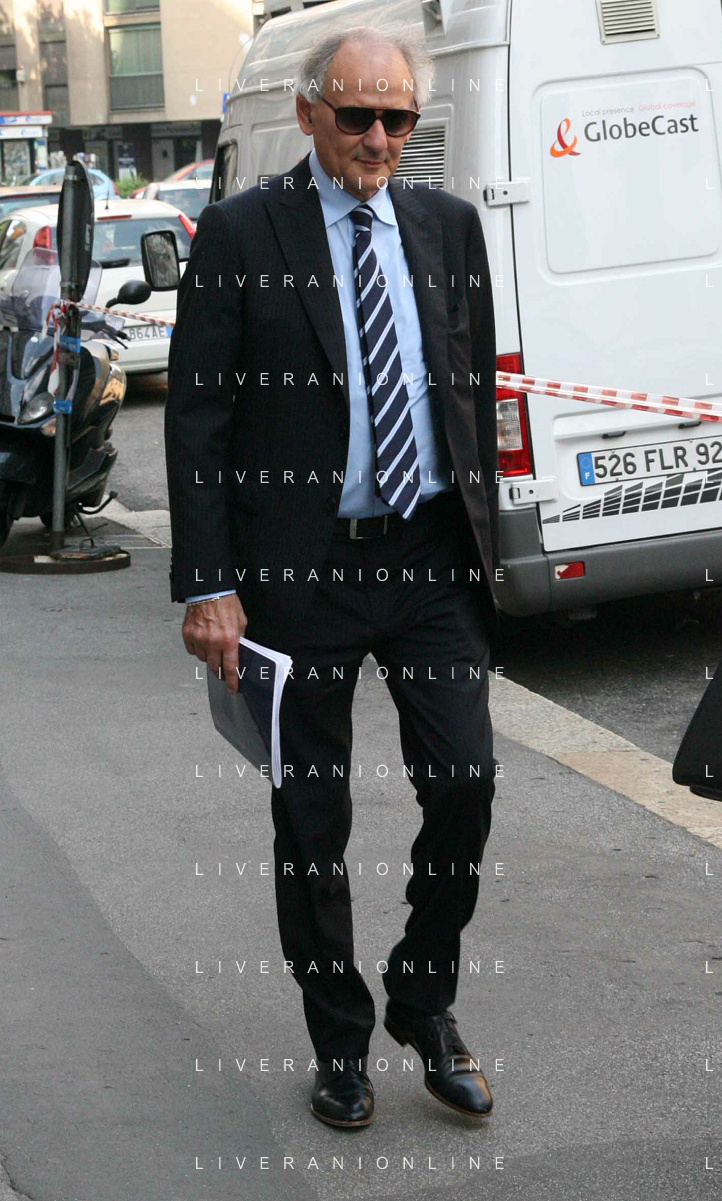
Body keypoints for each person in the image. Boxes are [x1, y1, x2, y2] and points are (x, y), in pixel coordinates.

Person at [164, 20, 501, 1129]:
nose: (377, 138)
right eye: (356, 115)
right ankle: (341, 1043)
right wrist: (208, 583)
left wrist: (489, 534)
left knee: (466, 782)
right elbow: (198, 418)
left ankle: (424, 999)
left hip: (429, 560)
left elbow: (465, 388)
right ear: (310, 112)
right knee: (312, 822)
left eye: (397, 118)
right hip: (298, 576)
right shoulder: (241, 232)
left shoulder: (449, 227)